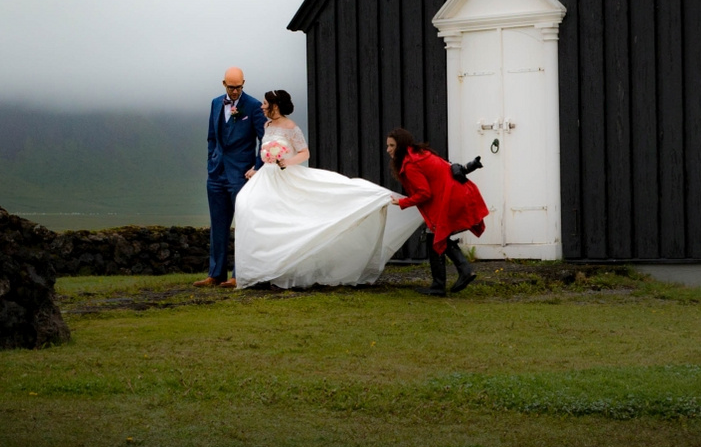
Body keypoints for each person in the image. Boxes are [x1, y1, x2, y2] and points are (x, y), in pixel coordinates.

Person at [232, 90, 422, 289]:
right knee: (249, 207)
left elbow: (305, 152)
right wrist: (257, 168)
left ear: (275, 106)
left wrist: (286, 161)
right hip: (266, 178)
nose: (262, 107)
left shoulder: (291, 127)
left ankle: (287, 269)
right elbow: (264, 152)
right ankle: (263, 269)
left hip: (285, 174)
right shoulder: (267, 125)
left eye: (265, 103)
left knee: (290, 219)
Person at [388, 128, 487, 296]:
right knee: (435, 236)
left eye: (392, 145)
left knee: (436, 236)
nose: (388, 150)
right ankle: (452, 278)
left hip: (451, 197)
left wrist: (402, 202)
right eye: (388, 145)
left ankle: (446, 282)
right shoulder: (419, 154)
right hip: (458, 193)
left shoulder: (410, 164)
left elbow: (424, 193)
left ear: (402, 145)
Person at [198, 66, 265, 288]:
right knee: (218, 225)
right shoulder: (216, 103)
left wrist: (256, 167)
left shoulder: (254, 106)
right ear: (223, 84)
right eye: (231, 87)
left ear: (243, 83)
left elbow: (265, 141)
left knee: (243, 226)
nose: (235, 92)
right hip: (216, 174)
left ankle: (239, 275)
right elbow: (211, 137)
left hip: (241, 175)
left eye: (238, 87)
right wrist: (211, 162)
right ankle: (215, 274)